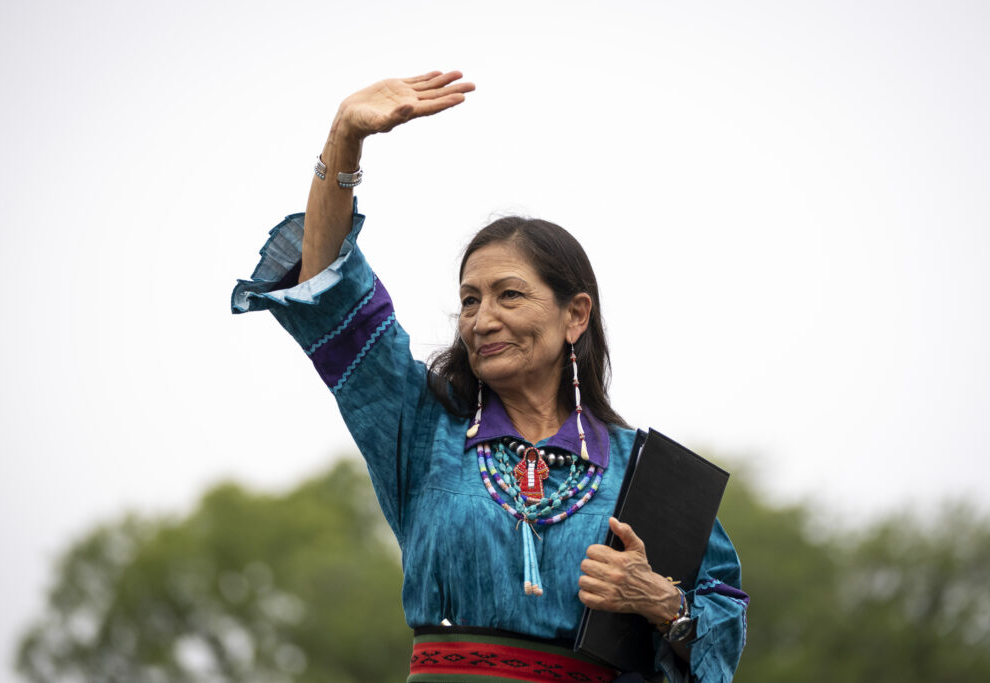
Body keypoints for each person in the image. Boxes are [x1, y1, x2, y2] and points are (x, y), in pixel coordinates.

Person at [232, 71, 748, 683]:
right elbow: (330, 297)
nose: (483, 319)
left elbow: (723, 623)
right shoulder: (419, 429)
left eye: (509, 295)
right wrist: (344, 139)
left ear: (574, 315)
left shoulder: (648, 477)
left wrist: (663, 603)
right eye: (470, 300)